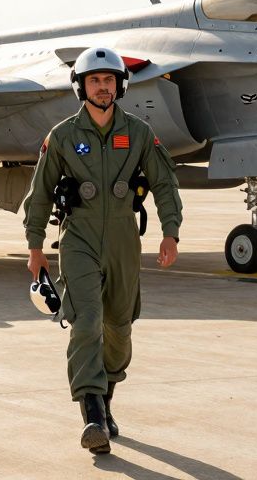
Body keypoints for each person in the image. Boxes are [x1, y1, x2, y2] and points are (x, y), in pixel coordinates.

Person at [23, 47, 183, 455]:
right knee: (87, 321)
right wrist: (35, 246)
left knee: (119, 326)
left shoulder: (140, 132)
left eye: (109, 80)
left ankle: (107, 402)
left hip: (124, 240)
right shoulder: (61, 137)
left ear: (120, 85)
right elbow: (39, 194)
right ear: (81, 86)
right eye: (94, 80)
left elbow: (164, 183)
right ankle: (92, 415)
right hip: (79, 238)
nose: (102, 87)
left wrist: (170, 232)